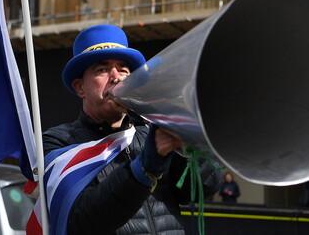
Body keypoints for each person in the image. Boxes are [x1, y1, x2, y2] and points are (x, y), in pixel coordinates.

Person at [42, 24, 222, 234]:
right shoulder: (59, 142)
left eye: (124, 70)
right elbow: (82, 220)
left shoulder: (149, 132)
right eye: (102, 69)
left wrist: (189, 145)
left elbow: (202, 188)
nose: (116, 77)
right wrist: (145, 167)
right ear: (80, 87)